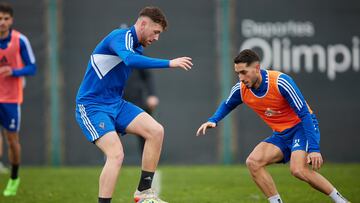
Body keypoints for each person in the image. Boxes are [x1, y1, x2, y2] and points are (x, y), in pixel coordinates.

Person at [197, 49, 349, 203]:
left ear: (257, 68)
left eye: (244, 72)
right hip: (281, 134)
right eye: (238, 73)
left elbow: (305, 114)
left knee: (298, 170)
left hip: (301, 128)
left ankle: (341, 201)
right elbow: (227, 104)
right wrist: (213, 120)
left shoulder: (280, 82)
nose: (241, 78)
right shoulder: (241, 89)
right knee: (253, 162)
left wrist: (314, 149)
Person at [75, 6, 192, 203]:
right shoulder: (119, 37)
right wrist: (169, 63)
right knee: (116, 154)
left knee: (156, 131)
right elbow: (130, 60)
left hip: (116, 104)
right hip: (92, 106)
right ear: (143, 23)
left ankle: (144, 193)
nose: (156, 38)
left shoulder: (137, 46)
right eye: (156, 32)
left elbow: (134, 59)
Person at [0, 2, 37, 197]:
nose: (2, 23)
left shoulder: (20, 40)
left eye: (5, 19)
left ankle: (14, 178)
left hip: (11, 98)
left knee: (12, 140)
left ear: (11, 20)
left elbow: (32, 67)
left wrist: (13, 71)